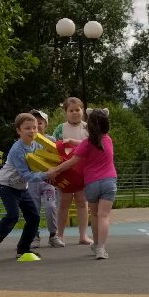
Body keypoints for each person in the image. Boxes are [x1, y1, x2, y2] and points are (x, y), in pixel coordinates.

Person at [44, 107, 118, 260]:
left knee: (95, 216)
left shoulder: (85, 144)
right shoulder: (108, 140)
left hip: (91, 183)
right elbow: (94, 140)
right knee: (104, 216)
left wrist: (55, 170)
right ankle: (100, 248)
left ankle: (96, 243)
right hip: (109, 181)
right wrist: (75, 141)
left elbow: (71, 162)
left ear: (88, 126)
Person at [0, 111, 44, 262]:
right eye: (27, 128)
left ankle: (23, 249)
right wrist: (48, 175)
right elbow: (28, 175)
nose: (32, 131)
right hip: (6, 185)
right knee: (12, 216)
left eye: (35, 127)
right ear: (18, 131)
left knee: (34, 217)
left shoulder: (36, 145)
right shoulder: (17, 150)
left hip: (21, 187)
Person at [52, 97, 92, 245]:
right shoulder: (60, 129)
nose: (74, 113)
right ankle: (60, 235)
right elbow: (54, 149)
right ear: (66, 112)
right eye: (71, 110)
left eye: (77, 110)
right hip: (66, 170)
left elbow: (93, 145)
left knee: (82, 202)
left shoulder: (88, 127)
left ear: (82, 111)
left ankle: (83, 235)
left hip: (83, 171)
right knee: (64, 202)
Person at [29, 109, 65, 249]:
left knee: (50, 206)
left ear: (46, 124)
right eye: (34, 123)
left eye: (40, 122)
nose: (37, 125)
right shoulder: (27, 141)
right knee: (33, 210)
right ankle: (34, 235)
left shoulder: (51, 140)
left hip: (48, 181)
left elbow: (58, 159)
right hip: (32, 181)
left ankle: (53, 235)